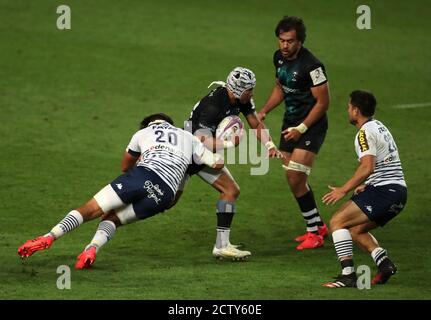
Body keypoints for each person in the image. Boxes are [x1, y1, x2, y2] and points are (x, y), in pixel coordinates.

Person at [17, 113, 224, 269]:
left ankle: (48, 237)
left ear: (150, 124)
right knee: (112, 219)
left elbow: (126, 167)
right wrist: (229, 141)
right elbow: (217, 163)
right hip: (163, 195)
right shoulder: (190, 139)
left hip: (142, 175)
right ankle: (91, 249)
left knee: (91, 209)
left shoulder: (143, 133)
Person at [178, 66, 283, 260]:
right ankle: (116, 213)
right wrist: (229, 143)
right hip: (190, 153)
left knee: (231, 190)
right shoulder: (213, 106)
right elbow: (200, 138)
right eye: (249, 90)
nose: (252, 93)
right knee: (165, 201)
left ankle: (222, 245)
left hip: (204, 154)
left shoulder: (239, 98)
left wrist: (269, 145)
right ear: (237, 89)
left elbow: (254, 121)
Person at [257, 16, 330, 250]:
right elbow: (281, 86)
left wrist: (302, 129)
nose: (284, 46)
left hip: (311, 125)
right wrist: (265, 110)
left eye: (289, 41)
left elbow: (323, 103)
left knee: (296, 176)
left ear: (299, 41)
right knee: (294, 177)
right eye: (281, 40)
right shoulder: (278, 58)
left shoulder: (314, 67)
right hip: (290, 124)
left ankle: (314, 234)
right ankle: (318, 226)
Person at [322, 90, 407, 288]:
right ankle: (384, 264)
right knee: (356, 230)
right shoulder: (379, 126)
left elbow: (367, 166)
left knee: (337, 222)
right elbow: (384, 164)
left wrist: (343, 189)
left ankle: (348, 275)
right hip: (398, 192)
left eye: (349, 107)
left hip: (385, 191)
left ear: (356, 110)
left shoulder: (364, 133)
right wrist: (366, 185)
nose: (348, 110)